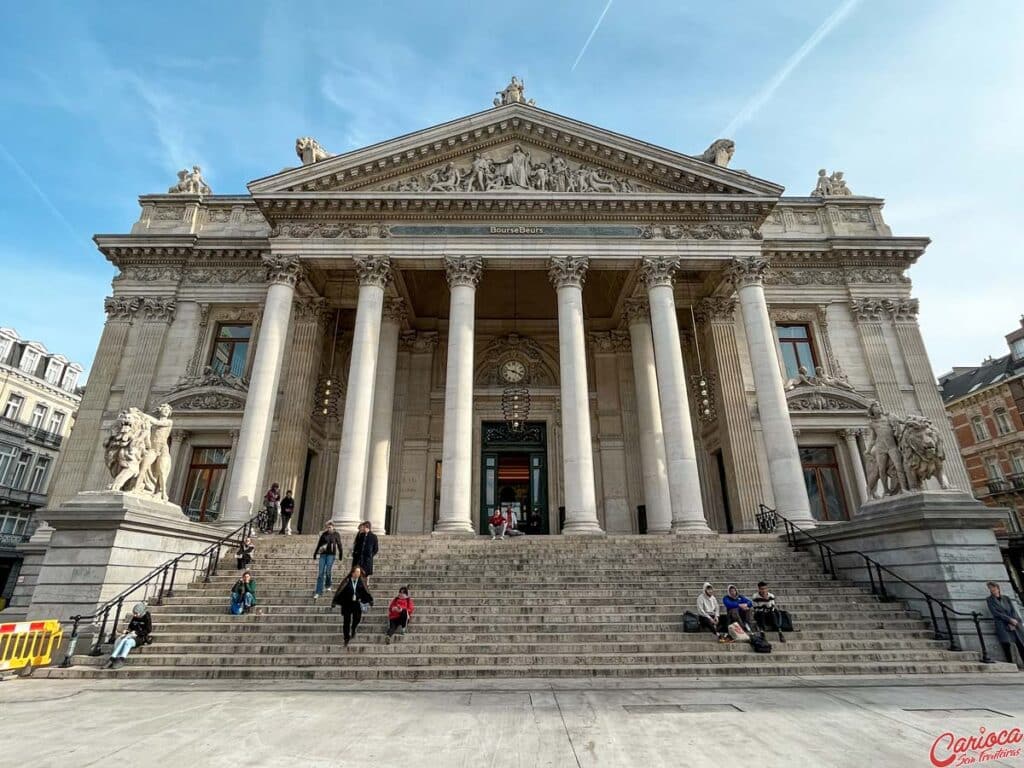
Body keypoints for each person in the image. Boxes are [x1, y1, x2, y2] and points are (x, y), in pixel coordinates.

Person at [332, 565, 373, 647]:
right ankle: (346, 638)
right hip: (347, 603)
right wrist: (334, 601)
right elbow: (340, 591)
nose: (358, 573)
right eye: (357, 572)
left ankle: (353, 628)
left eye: (359, 572)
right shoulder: (347, 581)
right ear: (352, 572)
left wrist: (370, 600)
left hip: (356, 603)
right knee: (346, 622)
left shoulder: (361, 581)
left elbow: (365, 591)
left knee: (357, 618)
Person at [104, 602, 152, 669]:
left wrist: (137, 633)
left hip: (140, 637)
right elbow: (130, 627)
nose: (135, 615)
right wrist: (127, 631)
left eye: (136, 613)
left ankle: (121, 659)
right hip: (131, 635)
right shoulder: (135, 617)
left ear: (141, 612)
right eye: (134, 613)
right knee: (119, 639)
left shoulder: (146, 617)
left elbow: (148, 630)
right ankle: (113, 658)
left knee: (128, 642)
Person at [987, 581, 1024, 665]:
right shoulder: (989, 600)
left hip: (1014, 623)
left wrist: (1014, 620)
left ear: (998, 588)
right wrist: (1009, 619)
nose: (993, 590)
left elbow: (1013, 610)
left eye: (994, 588)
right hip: (1002, 624)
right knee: (1006, 643)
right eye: (991, 589)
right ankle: (1010, 663)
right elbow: (995, 613)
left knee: (1020, 643)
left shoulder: (1006, 598)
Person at [312, 521, 343, 600]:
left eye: (330, 527)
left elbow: (339, 544)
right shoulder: (324, 534)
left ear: (333, 527)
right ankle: (318, 592)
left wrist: (340, 554)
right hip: (323, 554)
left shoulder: (336, 534)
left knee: (328, 571)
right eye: (327, 527)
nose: (328, 528)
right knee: (320, 573)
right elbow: (319, 544)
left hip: (331, 555)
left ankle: (328, 585)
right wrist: (315, 553)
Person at [351, 521, 379, 585]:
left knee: (366, 572)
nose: (363, 528)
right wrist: (355, 553)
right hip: (360, 557)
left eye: (364, 527)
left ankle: (366, 584)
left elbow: (376, 548)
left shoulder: (373, 536)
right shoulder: (361, 535)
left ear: (367, 527)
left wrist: (371, 555)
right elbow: (357, 545)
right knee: (358, 571)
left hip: (367, 558)